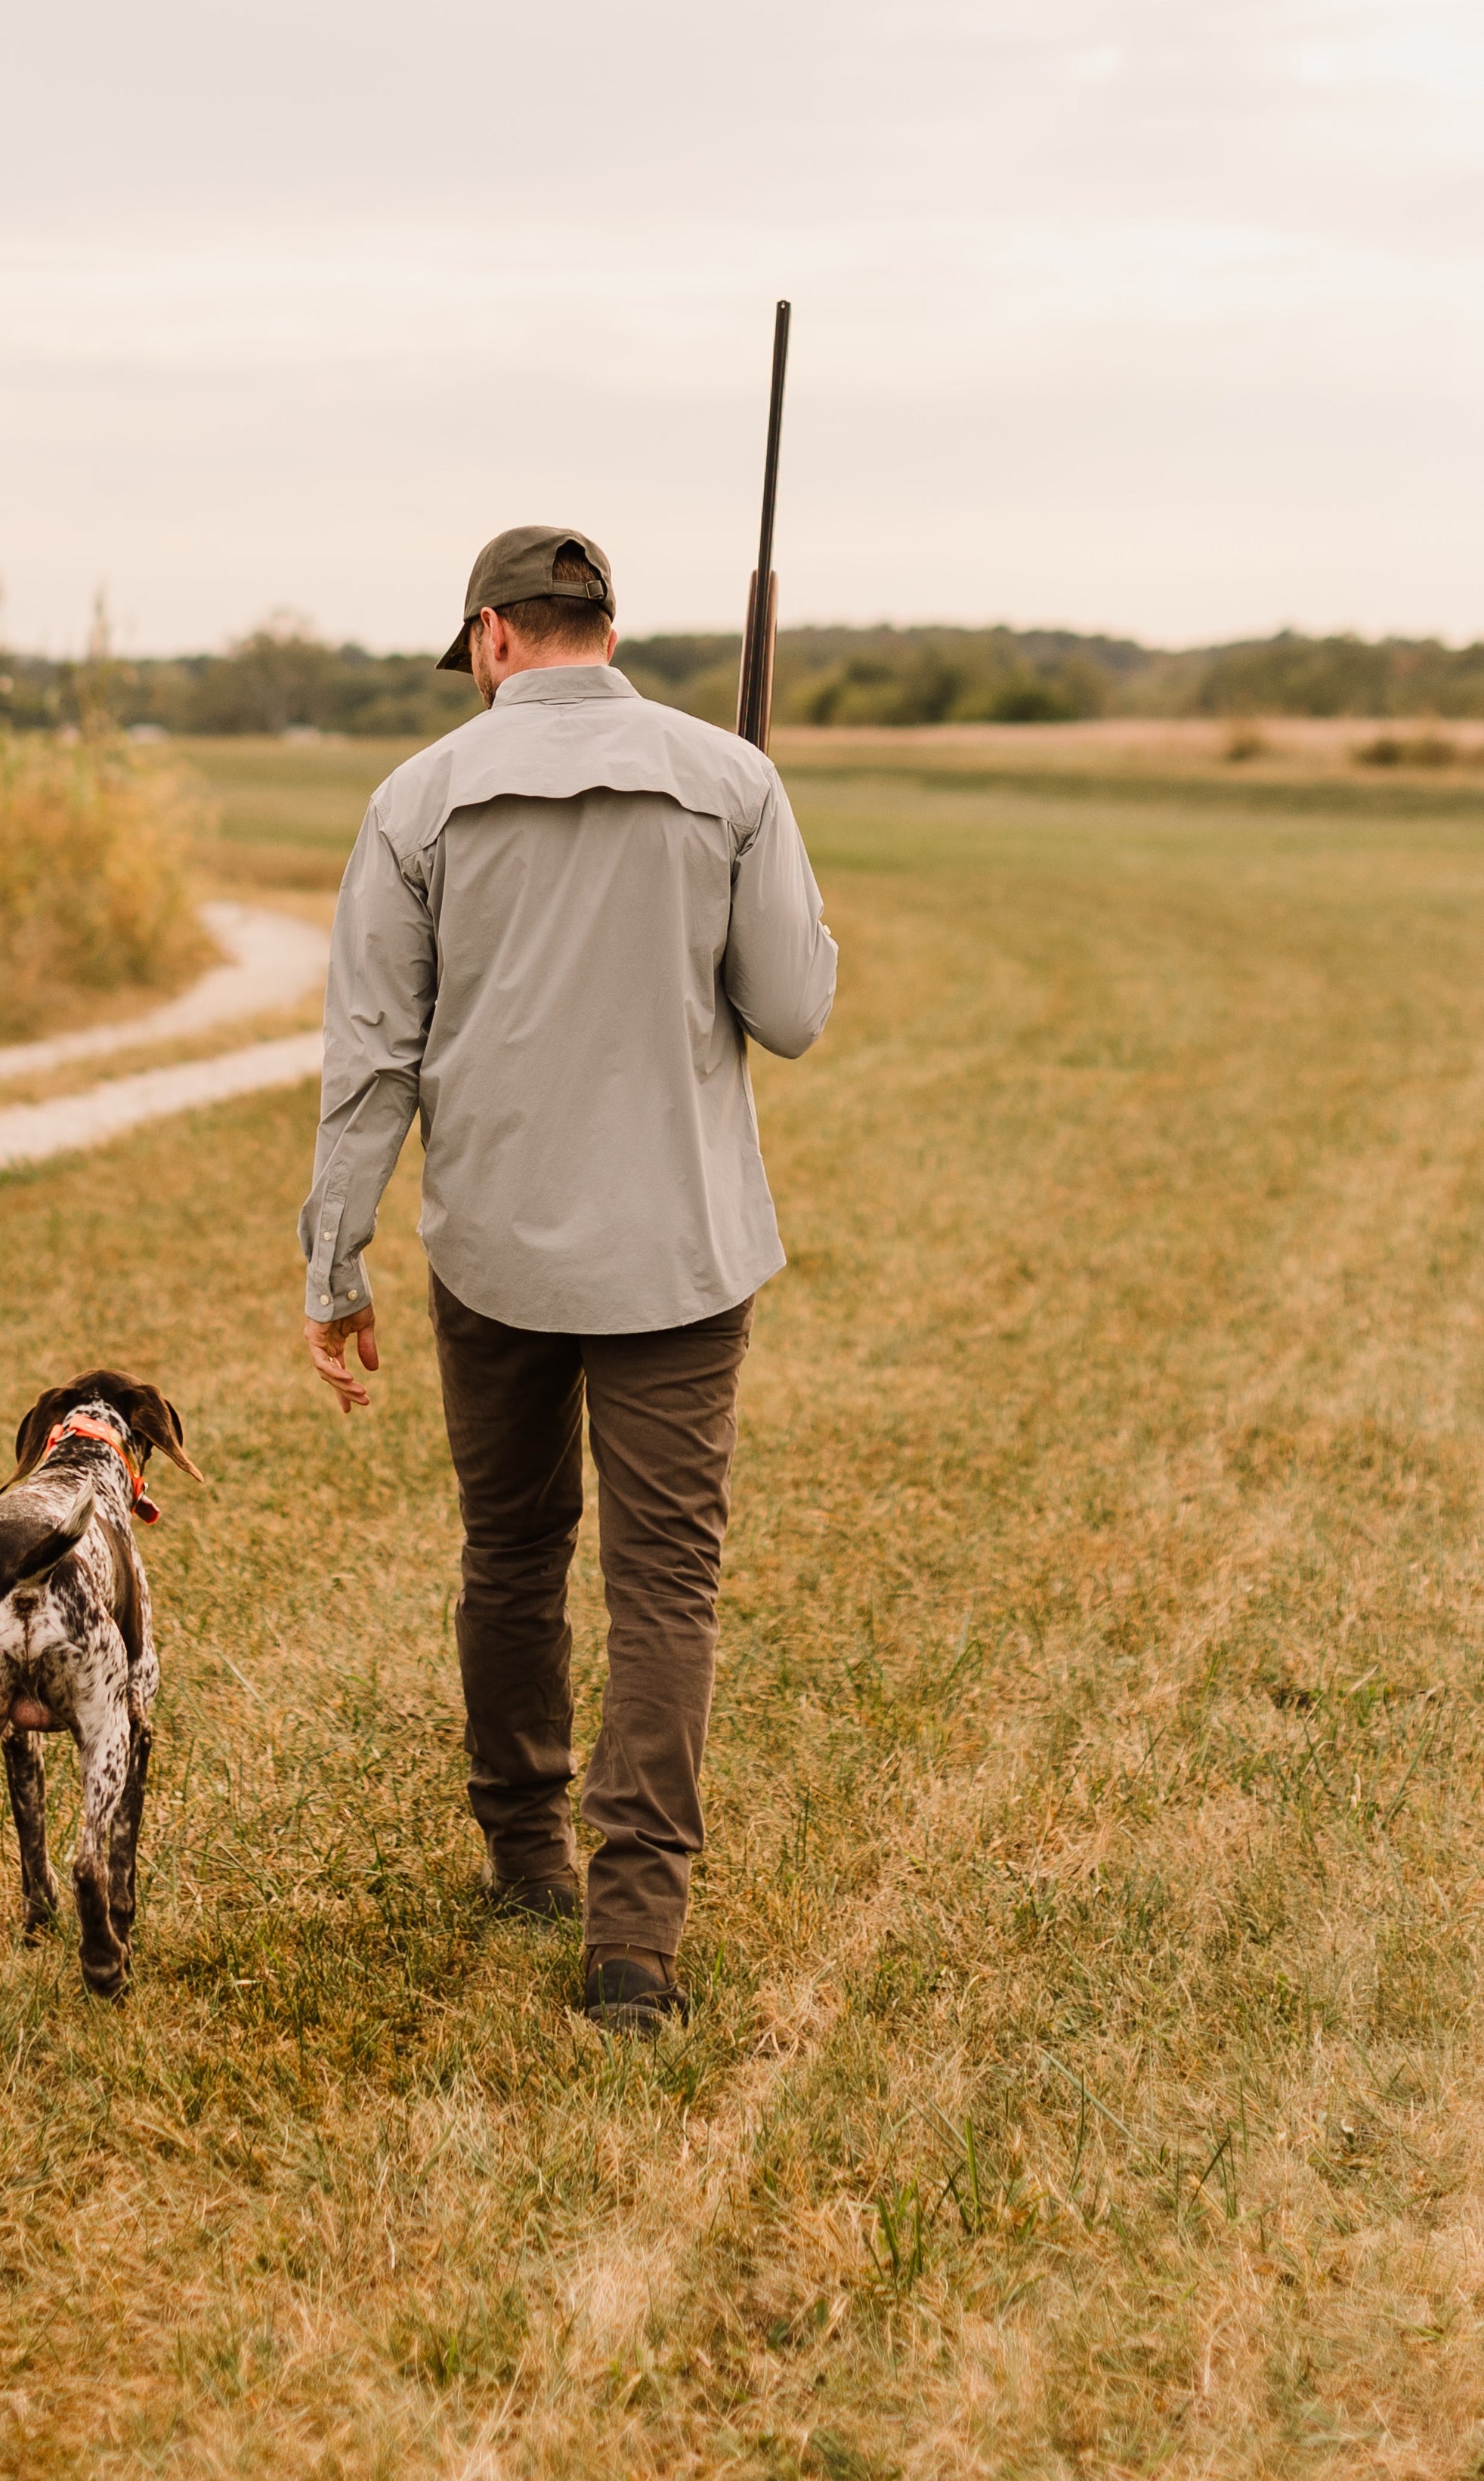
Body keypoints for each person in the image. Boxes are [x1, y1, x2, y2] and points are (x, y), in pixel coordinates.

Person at [298, 525, 837, 2031]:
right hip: (680, 1256)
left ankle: (525, 1855)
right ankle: (632, 1947)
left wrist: (332, 1263)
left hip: (494, 1255)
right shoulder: (731, 780)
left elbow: (370, 1063)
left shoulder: (414, 799)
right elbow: (791, 1012)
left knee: (512, 1555)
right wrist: (789, 919)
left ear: (491, 638)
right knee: (667, 1583)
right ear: (599, 625)